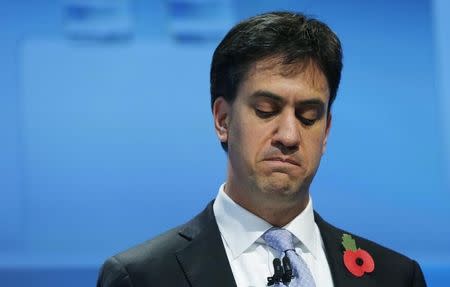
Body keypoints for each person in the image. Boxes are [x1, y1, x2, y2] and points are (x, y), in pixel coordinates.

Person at [97, 11, 427, 287]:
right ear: (223, 120)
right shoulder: (141, 278)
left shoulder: (395, 277)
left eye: (309, 116)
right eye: (267, 110)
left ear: (326, 131)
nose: (289, 135)